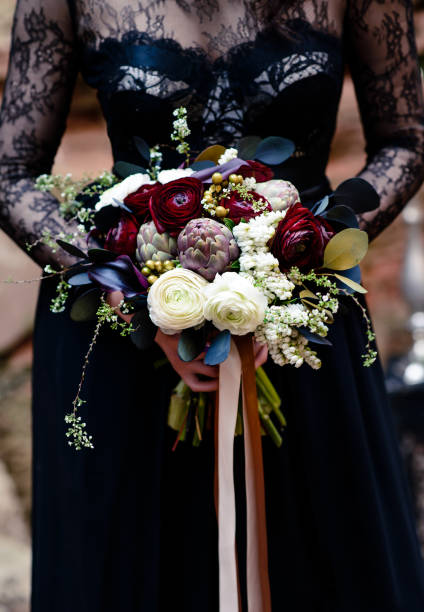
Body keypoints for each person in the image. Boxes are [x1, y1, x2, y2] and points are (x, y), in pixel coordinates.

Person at [1, 0, 424, 610]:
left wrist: (299, 258)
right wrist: (128, 294)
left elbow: (405, 141)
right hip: (125, 329)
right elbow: (11, 170)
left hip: (304, 325)